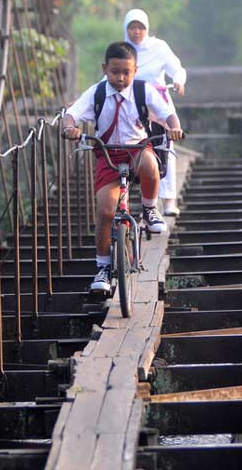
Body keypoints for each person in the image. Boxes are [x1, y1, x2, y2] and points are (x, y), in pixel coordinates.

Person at [62, 41, 184, 294]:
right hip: (107, 154)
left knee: (151, 164)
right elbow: (72, 113)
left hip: (137, 149)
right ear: (105, 69)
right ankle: (103, 268)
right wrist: (69, 127)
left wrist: (174, 126)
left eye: (126, 72)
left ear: (135, 70)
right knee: (106, 211)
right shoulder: (96, 93)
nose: (120, 78)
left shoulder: (143, 91)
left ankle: (150, 211)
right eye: (115, 72)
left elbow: (167, 112)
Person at [122, 9, 187, 216]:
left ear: (147, 29)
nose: (137, 32)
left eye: (141, 27)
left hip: (157, 105)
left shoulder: (159, 47)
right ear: (126, 29)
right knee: (128, 146)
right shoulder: (123, 51)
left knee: (166, 146)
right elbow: (110, 78)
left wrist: (178, 80)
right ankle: (126, 196)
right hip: (131, 106)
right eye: (132, 27)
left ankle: (169, 201)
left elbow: (177, 68)